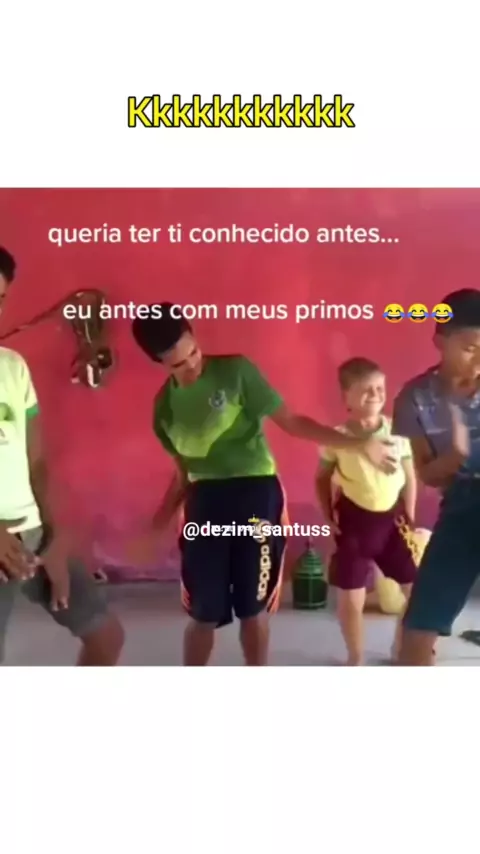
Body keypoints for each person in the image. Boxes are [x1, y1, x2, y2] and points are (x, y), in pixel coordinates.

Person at [129, 303, 398, 666]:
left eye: (194, 352)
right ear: (160, 363)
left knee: (253, 608)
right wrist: (154, 529)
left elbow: (293, 422)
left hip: (256, 495)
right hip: (205, 503)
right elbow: (182, 476)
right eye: (179, 364)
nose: (193, 365)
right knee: (203, 612)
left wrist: (358, 444)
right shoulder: (164, 408)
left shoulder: (237, 372)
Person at [0, 246, 124, 665]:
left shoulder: (13, 367)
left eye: (0, 299)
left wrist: (53, 537)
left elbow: (35, 461)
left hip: (32, 533)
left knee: (106, 636)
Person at [392, 288, 480, 666]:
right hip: (462, 503)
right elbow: (427, 473)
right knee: (419, 624)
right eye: (470, 347)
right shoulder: (415, 398)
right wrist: (454, 457)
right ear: (440, 341)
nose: (479, 359)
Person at [316, 357, 418, 665]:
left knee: (417, 591)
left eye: (379, 388)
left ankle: (402, 647)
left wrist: (410, 514)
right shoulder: (336, 438)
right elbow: (321, 478)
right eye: (365, 390)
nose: (375, 395)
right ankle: (356, 656)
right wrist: (327, 515)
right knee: (350, 598)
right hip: (354, 523)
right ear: (346, 397)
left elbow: (410, 476)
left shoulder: (398, 432)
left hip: (394, 522)